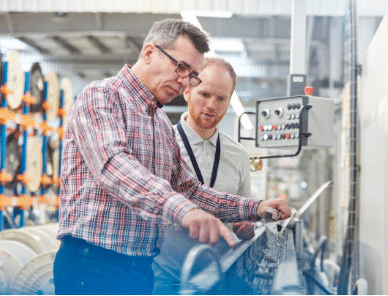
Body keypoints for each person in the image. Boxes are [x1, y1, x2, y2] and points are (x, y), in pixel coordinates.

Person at [53, 19, 291, 295]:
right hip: (93, 266)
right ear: (149, 53)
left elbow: (190, 190)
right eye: (180, 66)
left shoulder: (161, 123)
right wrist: (185, 211)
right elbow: (114, 166)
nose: (183, 80)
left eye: (191, 74)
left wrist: (256, 207)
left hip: (141, 269)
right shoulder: (102, 96)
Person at [152, 57, 255, 294]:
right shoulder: (161, 144)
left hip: (219, 279)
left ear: (229, 102)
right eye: (204, 94)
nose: (211, 105)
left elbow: (243, 211)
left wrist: (246, 226)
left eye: (221, 98)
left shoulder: (238, 155)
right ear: (187, 92)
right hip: (164, 279)